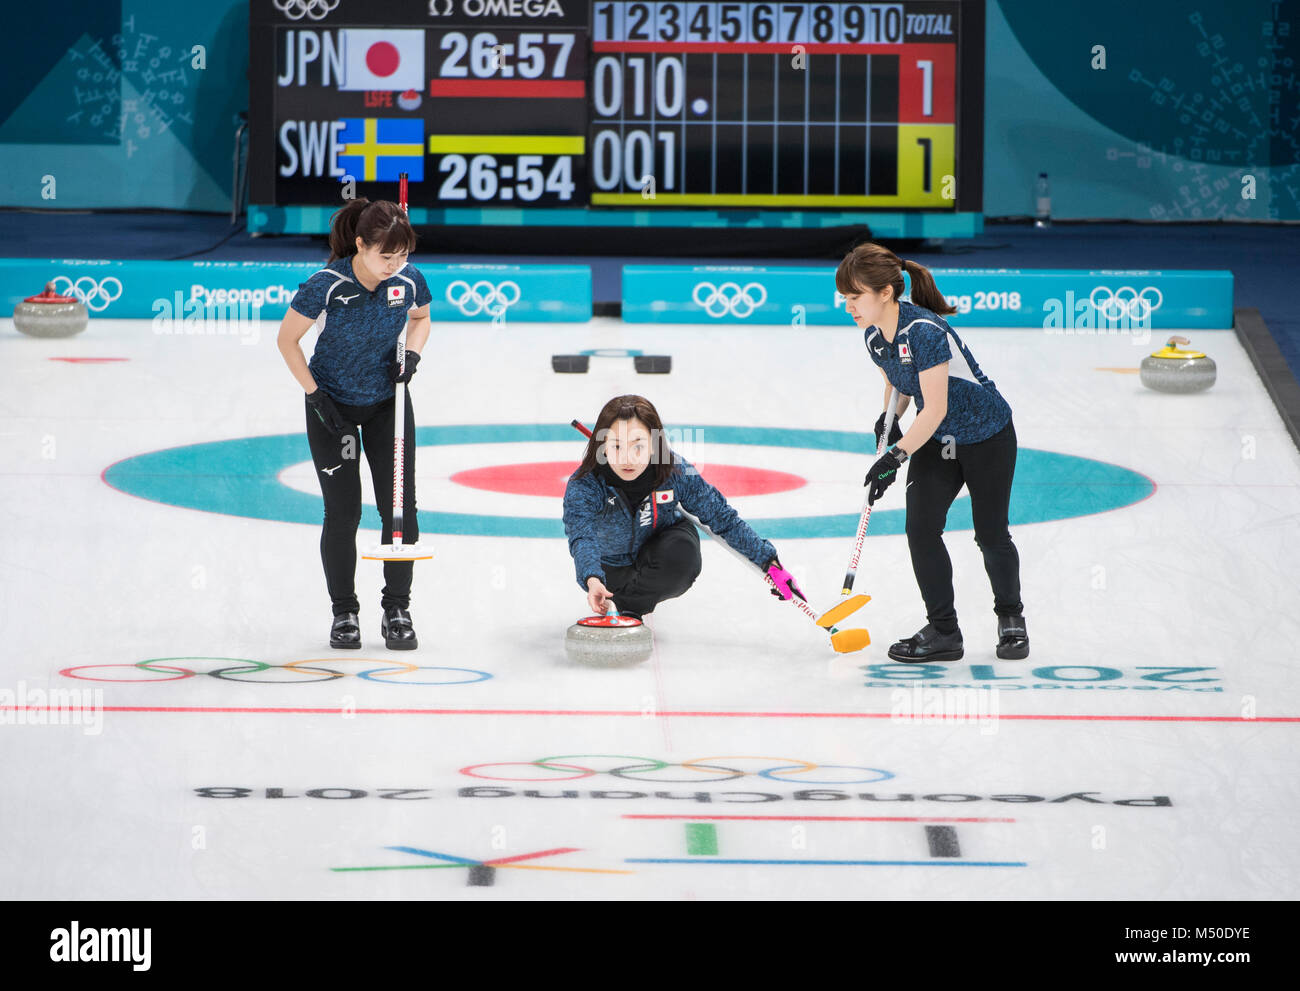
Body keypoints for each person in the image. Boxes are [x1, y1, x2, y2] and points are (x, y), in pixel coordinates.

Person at [838, 242, 1028, 661]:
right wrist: (888, 421)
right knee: (921, 530)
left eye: (855, 298)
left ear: (885, 292)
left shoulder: (924, 331)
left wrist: (895, 457)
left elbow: (937, 404)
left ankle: (1010, 618)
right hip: (937, 440)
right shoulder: (873, 336)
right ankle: (945, 632)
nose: (848, 307)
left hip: (987, 435)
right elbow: (901, 385)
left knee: (990, 534)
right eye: (846, 299)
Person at [276, 198, 432, 650]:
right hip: (333, 409)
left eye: (403, 255)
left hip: (389, 405)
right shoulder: (326, 286)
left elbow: (420, 320)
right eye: (386, 255)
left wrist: (414, 355)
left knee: (400, 510)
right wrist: (316, 396)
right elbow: (287, 342)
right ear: (360, 245)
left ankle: (396, 608)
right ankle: (344, 612)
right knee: (344, 514)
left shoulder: (408, 280)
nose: (395, 264)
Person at [563, 395, 803, 622]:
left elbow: (721, 516)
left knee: (682, 554)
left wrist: (768, 562)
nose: (628, 458)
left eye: (638, 446)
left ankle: (629, 608)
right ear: (602, 446)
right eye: (616, 447)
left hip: (663, 542)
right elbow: (583, 536)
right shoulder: (585, 485)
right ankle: (621, 598)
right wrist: (592, 577)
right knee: (608, 578)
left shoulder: (675, 471)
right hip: (611, 564)